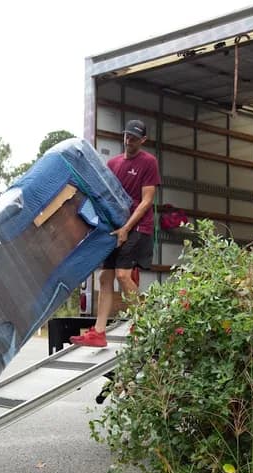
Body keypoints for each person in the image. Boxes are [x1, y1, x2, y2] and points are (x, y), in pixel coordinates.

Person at [70, 119, 161, 402]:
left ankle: (145, 323)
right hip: (115, 226)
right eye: (126, 136)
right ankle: (98, 332)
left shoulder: (149, 162)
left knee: (123, 274)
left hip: (138, 227)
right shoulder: (114, 164)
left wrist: (127, 228)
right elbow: (105, 195)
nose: (128, 141)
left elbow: (147, 201)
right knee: (105, 277)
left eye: (133, 138)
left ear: (143, 140)